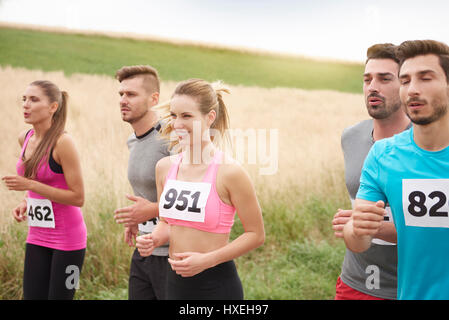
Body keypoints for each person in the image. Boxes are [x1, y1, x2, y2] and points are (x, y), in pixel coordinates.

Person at [135, 78, 265, 300]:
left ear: (210, 117)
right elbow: (168, 222)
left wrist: (207, 260)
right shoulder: (165, 167)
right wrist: (155, 238)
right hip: (175, 283)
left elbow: (256, 234)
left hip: (216, 285)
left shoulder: (230, 172)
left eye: (187, 116)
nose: (177, 124)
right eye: (174, 115)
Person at [344, 39, 449, 300]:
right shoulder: (382, 156)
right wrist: (358, 228)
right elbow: (357, 239)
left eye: (425, 78)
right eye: (405, 81)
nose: (412, 89)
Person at [332, 44, 411, 300]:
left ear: (406, 84)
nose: (372, 87)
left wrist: (364, 225)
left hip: (409, 287)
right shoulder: (351, 136)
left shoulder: (428, 144)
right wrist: (352, 228)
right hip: (354, 282)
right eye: (367, 79)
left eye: (385, 79)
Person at [2, 80, 86, 300]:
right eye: (24, 99)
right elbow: (41, 183)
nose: (26, 105)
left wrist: (30, 185)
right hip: (37, 235)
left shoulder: (63, 143)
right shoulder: (25, 138)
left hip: (69, 240)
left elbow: (78, 197)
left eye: (34, 99)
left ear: (53, 107)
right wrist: (26, 201)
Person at [113, 65, 170, 300]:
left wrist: (152, 210)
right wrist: (138, 217)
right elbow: (147, 188)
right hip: (144, 249)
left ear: (154, 98)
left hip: (174, 254)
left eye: (131, 94)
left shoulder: (173, 137)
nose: (123, 100)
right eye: (121, 94)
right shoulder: (132, 141)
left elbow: (201, 194)